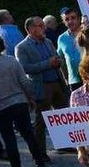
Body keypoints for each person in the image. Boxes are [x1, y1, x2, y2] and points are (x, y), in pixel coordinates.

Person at [0, 32, 52, 167]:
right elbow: (25, 82)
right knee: (28, 134)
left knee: (9, 139)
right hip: (19, 102)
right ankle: (41, 166)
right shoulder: (11, 61)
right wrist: (31, 98)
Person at [16, 16, 69, 158]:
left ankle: (65, 145)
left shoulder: (48, 41)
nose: (43, 27)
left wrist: (59, 61)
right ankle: (40, 153)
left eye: (43, 25)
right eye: (40, 25)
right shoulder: (22, 47)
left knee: (62, 115)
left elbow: (58, 57)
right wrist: (47, 64)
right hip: (41, 86)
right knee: (41, 121)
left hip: (57, 83)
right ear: (30, 29)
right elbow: (24, 68)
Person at [56, 7, 84, 90]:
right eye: (67, 19)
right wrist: (66, 78)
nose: (70, 21)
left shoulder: (88, 33)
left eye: (73, 18)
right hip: (74, 81)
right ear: (63, 22)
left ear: (79, 19)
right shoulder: (61, 38)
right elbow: (61, 61)